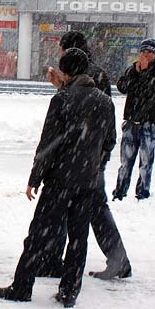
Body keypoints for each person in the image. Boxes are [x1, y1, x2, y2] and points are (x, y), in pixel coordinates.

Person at [0, 48, 117, 308]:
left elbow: (48, 143)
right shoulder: (105, 101)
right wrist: (94, 163)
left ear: (65, 71)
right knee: (78, 238)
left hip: (60, 180)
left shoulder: (62, 100)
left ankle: (22, 287)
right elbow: (110, 141)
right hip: (88, 182)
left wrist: (35, 177)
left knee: (38, 235)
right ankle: (69, 292)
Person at [39, 31, 131, 280]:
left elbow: (81, 110)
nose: (59, 54)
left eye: (61, 49)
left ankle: (115, 260)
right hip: (91, 154)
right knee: (82, 207)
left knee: (86, 207)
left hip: (81, 157)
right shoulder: (94, 71)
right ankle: (58, 259)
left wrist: (61, 86)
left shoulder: (86, 73)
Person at [113, 38, 155, 201]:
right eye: (143, 52)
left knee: (146, 160)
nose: (145, 55)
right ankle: (120, 191)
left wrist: (144, 72)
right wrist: (136, 72)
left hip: (149, 122)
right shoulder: (133, 69)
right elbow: (122, 87)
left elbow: (153, 92)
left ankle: (143, 192)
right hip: (131, 121)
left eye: (149, 52)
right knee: (125, 161)